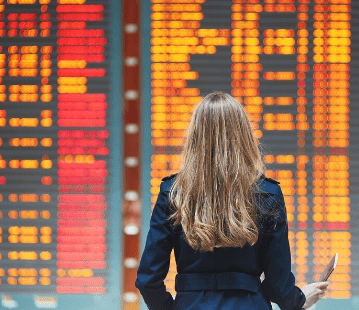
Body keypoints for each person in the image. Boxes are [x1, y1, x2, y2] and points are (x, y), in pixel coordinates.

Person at [135, 91, 329, 310]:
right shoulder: (268, 193)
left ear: (194, 137)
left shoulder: (173, 192)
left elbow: (148, 280)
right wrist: (300, 299)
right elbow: (278, 285)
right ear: (244, 135)